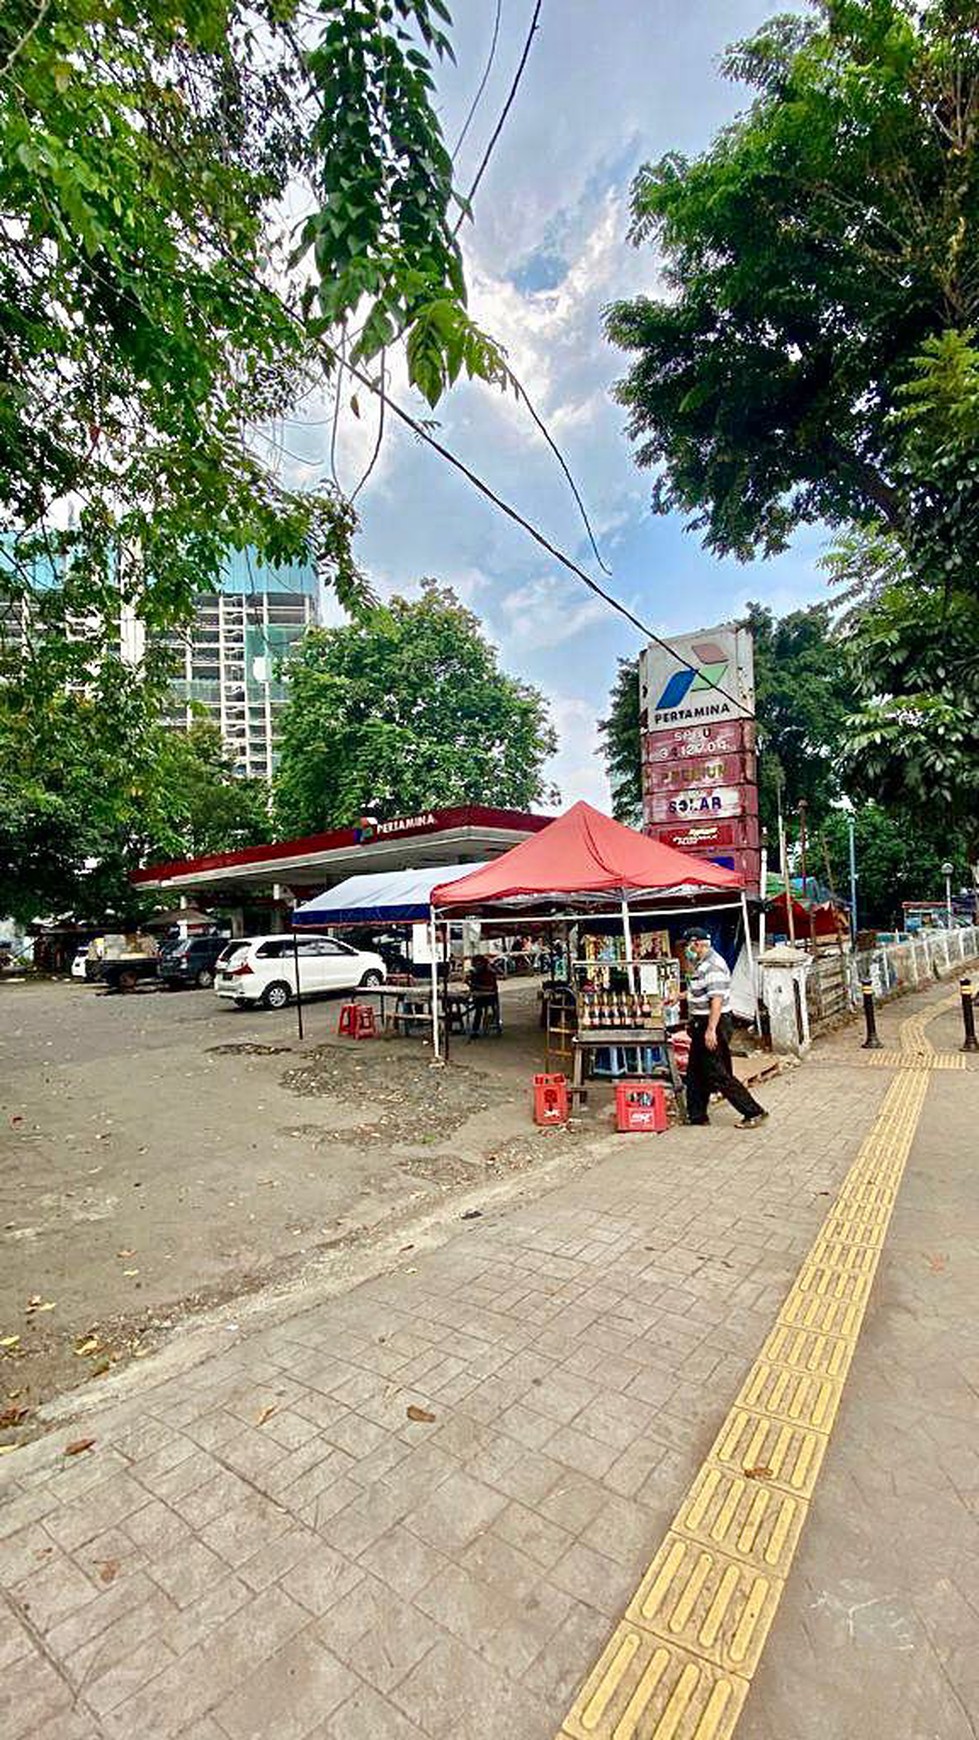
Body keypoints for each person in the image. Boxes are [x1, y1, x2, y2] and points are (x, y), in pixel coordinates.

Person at [682, 927, 768, 1129]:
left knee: (718, 1072)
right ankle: (697, 1115)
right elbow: (701, 991)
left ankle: (753, 1111)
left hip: (713, 1023)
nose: (687, 949)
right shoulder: (701, 964)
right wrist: (678, 997)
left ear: (696, 943)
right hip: (701, 1023)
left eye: (687, 945)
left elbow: (716, 1000)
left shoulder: (713, 965)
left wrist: (711, 1030)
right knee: (695, 1072)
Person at [466, 954, 501, 1036]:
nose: (476, 967)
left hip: (490, 997)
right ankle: (475, 1029)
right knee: (476, 1007)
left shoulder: (489, 973)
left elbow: (490, 988)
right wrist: (468, 982)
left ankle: (475, 1029)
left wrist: (475, 986)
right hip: (478, 996)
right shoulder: (475, 973)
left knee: (479, 1009)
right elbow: (473, 987)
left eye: (477, 965)